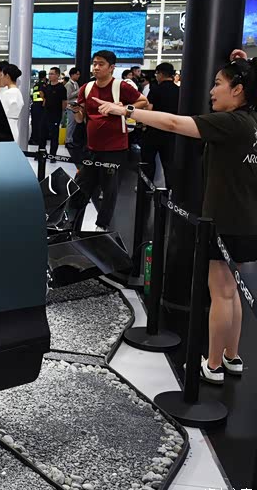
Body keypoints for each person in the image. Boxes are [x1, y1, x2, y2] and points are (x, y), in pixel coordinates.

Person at [95, 49, 257, 384]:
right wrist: (243, 63)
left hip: (225, 220)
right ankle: (231, 356)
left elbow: (172, 123)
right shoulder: (251, 122)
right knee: (231, 292)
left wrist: (125, 110)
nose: (212, 91)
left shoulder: (230, 123)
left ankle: (213, 365)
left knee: (221, 292)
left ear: (238, 89)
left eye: (218, 83)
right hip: (247, 220)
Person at [67, 50, 149, 231]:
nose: (96, 67)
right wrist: (76, 111)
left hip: (115, 148)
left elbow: (143, 101)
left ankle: (101, 226)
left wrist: (123, 108)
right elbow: (80, 119)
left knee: (109, 189)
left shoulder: (121, 86)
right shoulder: (87, 88)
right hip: (91, 147)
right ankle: (72, 225)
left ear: (112, 67)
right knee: (81, 186)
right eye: (94, 63)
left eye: (101, 64)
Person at [141, 62, 180, 188]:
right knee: (169, 163)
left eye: (157, 74)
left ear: (161, 74)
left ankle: (147, 188)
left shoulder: (155, 89)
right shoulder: (179, 90)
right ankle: (171, 190)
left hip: (154, 130)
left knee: (148, 161)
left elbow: (149, 109)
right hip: (171, 131)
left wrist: (144, 125)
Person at [39, 67, 68, 157]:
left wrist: (61, 113)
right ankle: (41, 152)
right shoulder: (47, 87)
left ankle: (52, 154)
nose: (50, 75)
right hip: (45, 113)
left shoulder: (61, 88)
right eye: (49, 74)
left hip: (55, 114)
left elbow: (64, 102)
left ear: (57, 75)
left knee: (54, 135)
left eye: (52, 74)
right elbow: (45, 99)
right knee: (42, 134)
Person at [0, 64, 25, 138]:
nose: (1, 78)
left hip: (5, 129)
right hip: (13, 128)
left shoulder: (8, 93)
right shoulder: (17, 92)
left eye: (2, 75)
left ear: (7, 76)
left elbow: (0, 113)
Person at [65, 67, 81, 147]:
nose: (78, 76)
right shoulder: (69, 84)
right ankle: (67, 141)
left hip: (75, 106)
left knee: (74, 124)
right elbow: (68, 96)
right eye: (77, 74)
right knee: (71, 124)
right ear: (72, 75)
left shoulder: (76, 83)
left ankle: (70, 140)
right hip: (70, 106)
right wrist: (78, 91)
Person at [30, 70, 47, 145]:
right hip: (40, 106)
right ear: (45, 76)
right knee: (40, 124)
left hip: (34, 106)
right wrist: (44, 104)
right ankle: (38, 139)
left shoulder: (36, 85)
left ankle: (33, 138)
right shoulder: (43, 84)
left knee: (34, 123)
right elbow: (42, 94)